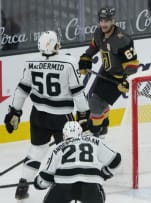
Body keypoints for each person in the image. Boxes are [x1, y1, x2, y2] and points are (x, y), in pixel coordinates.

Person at [3, 30, 90, 200]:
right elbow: (78, 93)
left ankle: (22, 185)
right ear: (55, 44)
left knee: (36, 151)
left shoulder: (31, 62)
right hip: (61, 118)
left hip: (38, 115)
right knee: (68, 153)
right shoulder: (69, 63)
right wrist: (84, 117)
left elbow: (22, 90)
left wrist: (15, 111)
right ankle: (66, 189)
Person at [78, 7, 139, 137]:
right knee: (96, 101)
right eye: (101, 21)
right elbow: (94, 47)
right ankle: (103, 126)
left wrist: (126, 80)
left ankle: (95, 132)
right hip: (106, 72)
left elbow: (133, 64)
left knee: (96, 103)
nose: (104, 24)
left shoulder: (121, 39)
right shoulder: (99, 33)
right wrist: (86, 57)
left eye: (107, 21)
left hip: (118, 77)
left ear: (113, 21)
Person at [33, 121, 121, 203]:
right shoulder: (95, 141)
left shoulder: (58, 148)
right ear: (81, 133)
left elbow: (46, 178)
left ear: (64, 135)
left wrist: (38, 183)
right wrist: (105, 173)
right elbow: (116, 160)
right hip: (90, 186)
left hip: (64, 186)